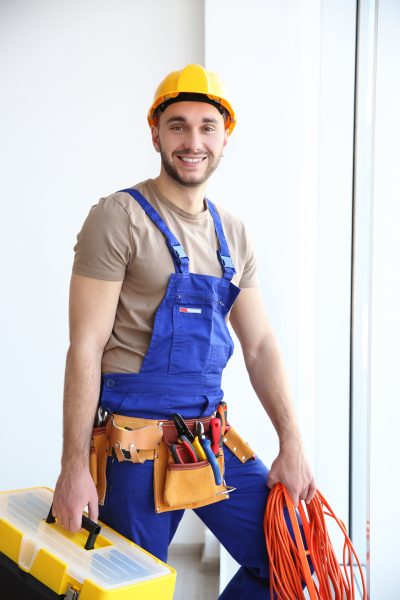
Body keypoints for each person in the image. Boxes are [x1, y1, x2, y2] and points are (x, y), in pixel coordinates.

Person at [53, 64, 316, 599]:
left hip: (208, 440)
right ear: (155, 133)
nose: (192, 141)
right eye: (177, 126)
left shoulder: (233, 233)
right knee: (134, 590)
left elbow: (260, 345)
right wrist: (73, 467)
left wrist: (292, 442)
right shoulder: (118, 217)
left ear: (224, 138)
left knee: (294, 556)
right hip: (135, 449)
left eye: (206, 127)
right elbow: (85, 346)